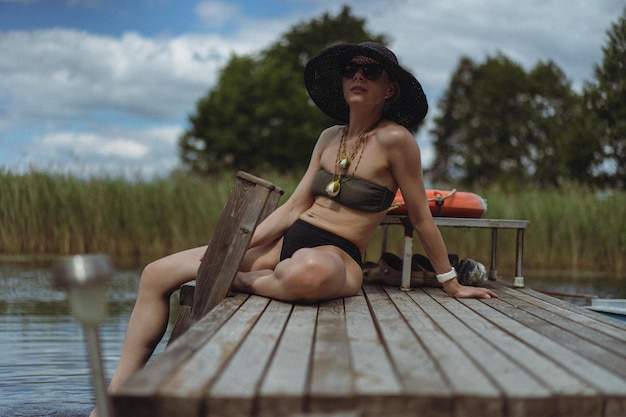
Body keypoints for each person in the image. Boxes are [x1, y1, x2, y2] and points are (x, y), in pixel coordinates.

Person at [90, 41, 497, 417]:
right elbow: (295, 206)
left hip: (336, 255)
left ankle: (245, 282)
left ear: (389, 89)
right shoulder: (328, 137)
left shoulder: (397, 140)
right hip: (289, 240)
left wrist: (451, 283)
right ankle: (115, 398)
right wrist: (233, 246)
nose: (358, 76)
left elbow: (421, 216)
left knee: (307, 275)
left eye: (371, 71)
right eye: (352, 69)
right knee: (155, 274)